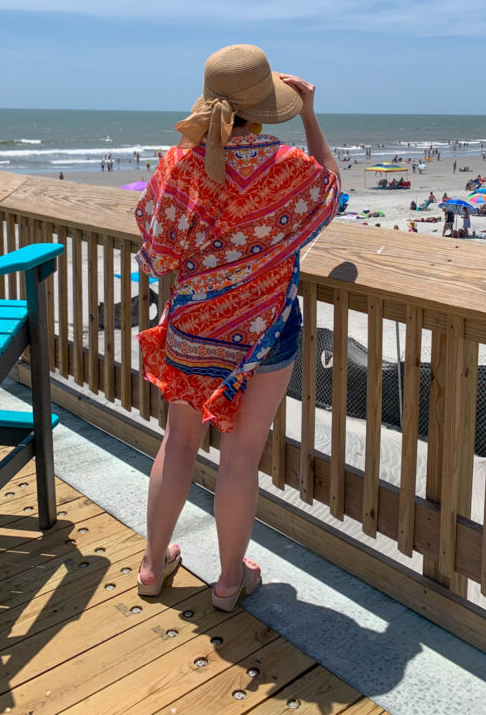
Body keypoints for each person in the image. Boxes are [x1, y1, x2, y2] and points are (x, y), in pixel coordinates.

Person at [133, 45, 339, 610]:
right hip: (264, 333)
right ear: (267, 106)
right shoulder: (289, 167)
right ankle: (228, 582)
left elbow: (154, 258)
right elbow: (331, 192)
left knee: (177, 445)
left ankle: (153, 567)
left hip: (193, 328)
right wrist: (311, 117)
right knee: (240, 456)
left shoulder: (177, 164)